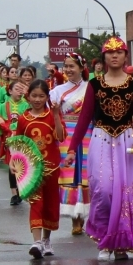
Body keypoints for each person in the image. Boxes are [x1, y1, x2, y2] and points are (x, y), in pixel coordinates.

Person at [64, 36, 133, 260]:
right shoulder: (94, 84)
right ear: (104, 57)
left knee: (123, 193)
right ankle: (104, 239)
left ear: (125, 56)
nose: (114, 56)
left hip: (126, 142)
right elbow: (84, 118)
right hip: (101, 139)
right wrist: (72, 149)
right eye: (110, 52)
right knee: (102, 189)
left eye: (119, 52)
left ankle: (119, 243)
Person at [13, 80, 66, 259]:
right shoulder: (23, 119)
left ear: (47, 97)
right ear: (28, 97)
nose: (37, 99)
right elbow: (18, 143)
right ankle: (36, 242)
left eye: (41, 96)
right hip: (32, 170)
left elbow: (60, 136)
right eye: (34, 96)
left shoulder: (52, 116)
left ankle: (46, 239)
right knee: (36, 203)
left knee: (50, 204)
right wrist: (14, 161)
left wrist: (56, 114)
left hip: (51, 168)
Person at [49, 53, 92, 235]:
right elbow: (52, 115)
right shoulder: (57, 91)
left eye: (72, 66)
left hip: (88, 134)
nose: (68, 69)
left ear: (81, 68)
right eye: (66, 66)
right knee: (70, 174)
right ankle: (75, 217)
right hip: (67, 136)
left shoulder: (91, 88)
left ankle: (87, 215)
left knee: (86, 173)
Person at [2, 81, 30, 205]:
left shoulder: (26, 105)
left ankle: (22, 190)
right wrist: (7, 128)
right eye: (17, 89)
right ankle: (14, 193)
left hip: (23, 138)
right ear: (10, 91)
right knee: (12, 164)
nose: (19, 91)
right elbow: (0, 120)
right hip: (9, 139)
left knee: (23, 164)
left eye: (21, 89)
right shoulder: (4, 106)